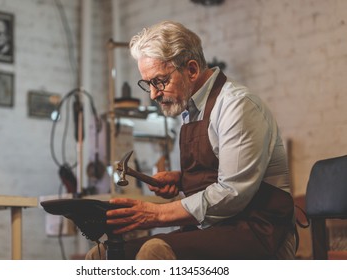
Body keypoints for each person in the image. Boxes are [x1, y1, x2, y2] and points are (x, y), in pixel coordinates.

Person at [86, 20, 296, 260]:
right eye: (148, 84)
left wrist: (156, 214)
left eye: (159, 81)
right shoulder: (191, 109)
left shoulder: (237, 106)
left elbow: (232, 194)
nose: (153, 94)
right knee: (101, 256)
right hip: (214, 229)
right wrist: (182, 180)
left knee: (154, 251)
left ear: (192, 70)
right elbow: (215, 172)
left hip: (259, 231)